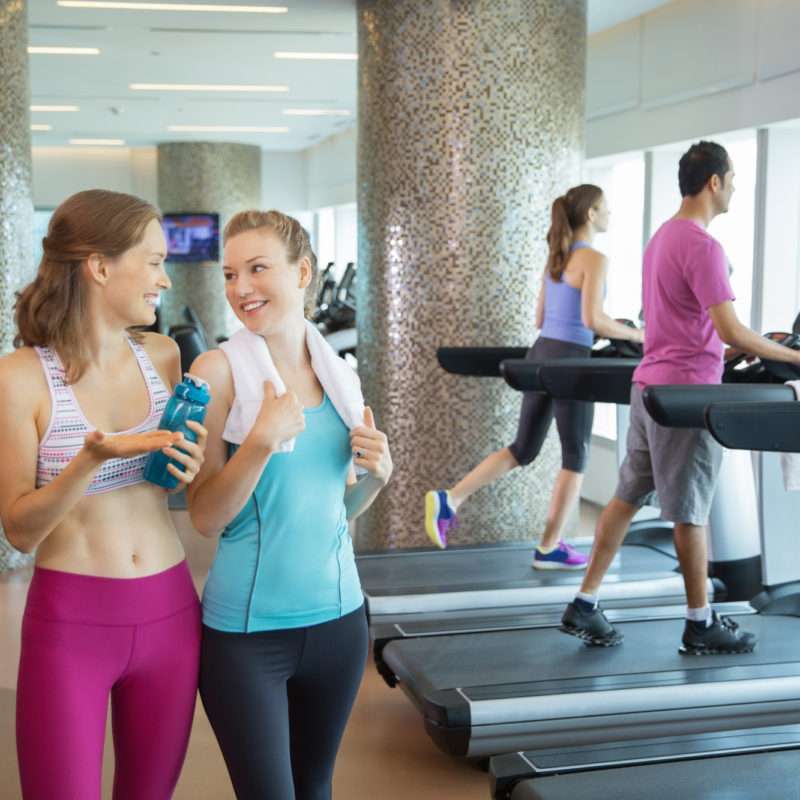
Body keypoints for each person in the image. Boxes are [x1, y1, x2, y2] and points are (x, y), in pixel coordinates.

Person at [1, 189, 208, 799]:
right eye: (153, 262)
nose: (164, 280)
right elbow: (19, 530)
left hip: (171, 610)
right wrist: (88, 461)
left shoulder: (164, 356)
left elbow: (167, 482)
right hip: (72, 624)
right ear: (98, 265)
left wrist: (185, 466)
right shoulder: (19, 378)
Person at [560, 141, 800, 653]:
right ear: (714, 181)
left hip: (650, 388)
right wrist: (794, 358)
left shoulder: (662, 238)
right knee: (692, 512)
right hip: (687, 398)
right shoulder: (704, 246)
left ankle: (584, 602)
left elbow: (689, 326)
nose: (734, 189)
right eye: (732, 180)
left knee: (626, 498)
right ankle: (699, 622)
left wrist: (732, 350)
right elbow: (730, 328)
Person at [186, 210, 393, 800]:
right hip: (248, 636)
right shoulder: (217, 373)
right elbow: (205, 517)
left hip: (340, 622)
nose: (241, 288)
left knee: (315, 787)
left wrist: (378, 480)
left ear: (302, 272)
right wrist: (258, 443)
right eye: (231, 274)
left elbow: (330, 511)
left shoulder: (340, 376)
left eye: (257, 269)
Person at [425, 185, 643, 568]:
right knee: (576, 455)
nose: (610, 213)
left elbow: (541, 319)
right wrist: (639, 335)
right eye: (605, 207)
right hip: (571, 363)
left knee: (522, 449)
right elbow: (593, 320)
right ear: (591, 214)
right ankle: (549, 546)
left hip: (541, 354)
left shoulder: (556, 258)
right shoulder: (594, 259)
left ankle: (451, 497)